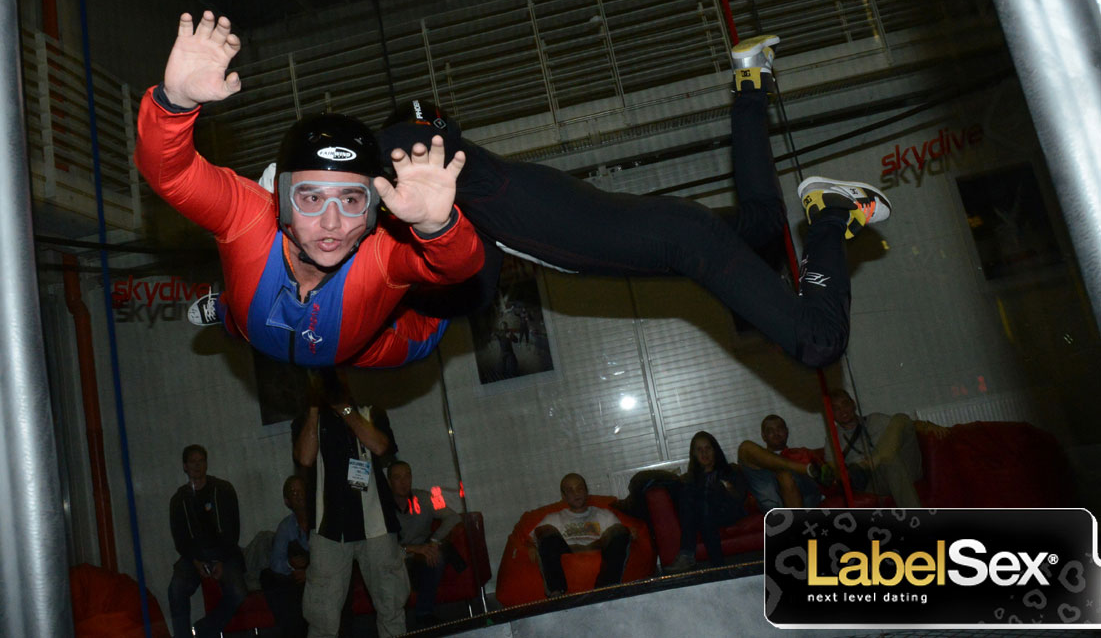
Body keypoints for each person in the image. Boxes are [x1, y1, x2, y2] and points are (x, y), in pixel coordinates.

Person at [378, 34, 892, 369]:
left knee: (819, 342)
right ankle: (752, 78)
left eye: (420, 153)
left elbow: (415, 140)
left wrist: (354, 167)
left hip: (681, 241)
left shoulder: (472, 173)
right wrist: (402, 288)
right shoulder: (461, 212)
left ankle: (829, 212)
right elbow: (477, 287)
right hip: (669, 240)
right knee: (762, 222)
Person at [135, 11, 485, 369]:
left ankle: (229, 311)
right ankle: (224, 308)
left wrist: (437, 227)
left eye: (350, 200)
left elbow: (460, 269)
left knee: (428, 335)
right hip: (262, 329)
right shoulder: (248, 216)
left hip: (358, 350)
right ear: (282, 196)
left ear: (371, 206)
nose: (331, 224)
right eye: (312, 198)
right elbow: (171, 176)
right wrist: (173, 102)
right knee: (236, 316)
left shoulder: (383, 252)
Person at [292, 371, 409, 638]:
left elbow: (380, 446)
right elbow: (305, 458)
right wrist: (312, 407)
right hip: (328, 530)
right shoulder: (310, 419)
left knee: (390, 604)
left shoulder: (370, 412)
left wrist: (344, 409)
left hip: (377, 526)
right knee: (322, 615)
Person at [167, 444, 247, 638]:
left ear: (206, 464)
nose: (197, 465)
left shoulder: (223, 489)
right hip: (194, 556)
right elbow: (180, 540)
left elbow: (233, 530)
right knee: (175, 590)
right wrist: (195, 561)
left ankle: (204, 630)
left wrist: (220, 559)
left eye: (201, 461)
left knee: (238, 592)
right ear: (185, 466)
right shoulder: (179, 500)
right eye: (192, 462)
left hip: (224, 553)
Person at [825, 389, 947, 508]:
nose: (842, 411)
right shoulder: (833, 439)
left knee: (900, 417)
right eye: (836, 408)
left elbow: (907, 424)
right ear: (831, 414)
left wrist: (927, 425)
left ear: (853, 404)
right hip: (874, 481)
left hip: (906, 468)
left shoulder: (875, 420)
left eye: (845, 404)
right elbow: (832, 469)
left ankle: (876, 458)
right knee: (890, 460)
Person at [388, 460, 465, 627]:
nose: (404, 482)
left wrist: (434, 541)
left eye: (407, 476)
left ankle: (425, 613)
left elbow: (453, 517)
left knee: (435, 556)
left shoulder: (424, 498)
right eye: (397, 477)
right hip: (396, 556)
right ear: (389, 482)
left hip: (420, 555)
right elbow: (381, 547)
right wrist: (414, 548)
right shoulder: (382, 506)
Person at [531, 473, 632, 597]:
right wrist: (530, 546)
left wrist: (629, 531)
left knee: (619, 531)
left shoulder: (604, 514)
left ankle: (606, 588)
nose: (576, 493)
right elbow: (533, 538)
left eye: (579, 488)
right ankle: (557, 593)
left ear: (586, 491)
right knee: (546, 532)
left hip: (598, 549)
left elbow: (620, 537)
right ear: (564, 496)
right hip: (568, 552)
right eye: (570, 490)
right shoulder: (553, 518)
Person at [664, 432, 748, 571]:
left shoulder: (730, 470)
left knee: (704, 503)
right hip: (705, 515)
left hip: (729, 511)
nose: (704, 453)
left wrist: (726, 487)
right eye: (699, 450)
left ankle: (687, 554)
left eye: (708, 448)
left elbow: (740, 498)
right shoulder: (690, 479)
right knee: (697, 502)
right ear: (694, 454)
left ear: (715, 450)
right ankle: (717, 566)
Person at [738, 414, 832, 512]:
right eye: (770, 431)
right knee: (745, 447)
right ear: (763, 436)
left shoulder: (803, 453)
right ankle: (804, 468)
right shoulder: (756, 459)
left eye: (780, 429)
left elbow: (827, 479)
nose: (776, 433)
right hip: (773, 501)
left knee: (785, 476)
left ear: (786, 431)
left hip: (805, 497)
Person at [261, 475, 310, 638]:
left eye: (301, 490)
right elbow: (276, 563)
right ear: (287, 501)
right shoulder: (286, 526)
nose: (298, 495)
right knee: (269, 578)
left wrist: (309, 572)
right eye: (293, 492)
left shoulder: (324, 521)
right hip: (296, 580)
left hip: (322, 577)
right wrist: (290, 564)